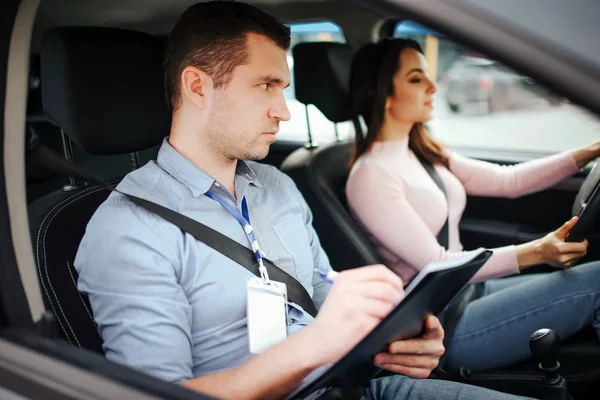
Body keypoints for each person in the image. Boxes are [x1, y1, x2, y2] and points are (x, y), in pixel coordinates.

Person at [74, 3, 533, 399]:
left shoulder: (276, 185)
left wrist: (395, 333)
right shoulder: (128, 228)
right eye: (265, 86)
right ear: (197, 86)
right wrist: (311, 349)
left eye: (283, 88)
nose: (283, 110)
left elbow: (319, 289)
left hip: (354, 384)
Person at [345, 37, 600, 371]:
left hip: (468, 292)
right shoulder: (370, 176)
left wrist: (592, 150)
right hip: (439, 326)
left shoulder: (422, 152)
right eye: (416, 78)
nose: (433, 87)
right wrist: (537, 251)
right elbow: (437, 264)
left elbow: (507, 180)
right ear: (382, 94)